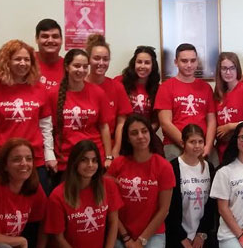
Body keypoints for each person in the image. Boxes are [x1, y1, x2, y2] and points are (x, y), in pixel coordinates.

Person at [44, 140, 125, 248]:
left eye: (94, 160)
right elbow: (58, 238)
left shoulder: (107, 186)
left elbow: (113, 224)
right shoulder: (58, 195)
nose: (90, 165)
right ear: (75, 162)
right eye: (84, 160)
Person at [0, 40, 56, 191]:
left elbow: (46, 127)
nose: (23, 63)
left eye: (27, 59)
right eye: (18, 59)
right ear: (7, 61)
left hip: (34, 159)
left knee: (37, 202)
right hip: (2, 160)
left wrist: (49, 155)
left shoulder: (40, 89)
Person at [108, 114, 174, 248]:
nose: (140, 136)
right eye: (134, 133)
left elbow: (164, 210)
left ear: (150, 133)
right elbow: (111, 208)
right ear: (127, 138)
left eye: (144, 131)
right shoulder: (118, 164)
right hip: (123, 234)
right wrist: (127, 239)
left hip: (152, 234)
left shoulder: (163, 166)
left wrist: (141, 241)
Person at [49, 49, 113, 183]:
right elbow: (49, 130)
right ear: (67, 67)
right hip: (65, 159)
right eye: (77, 66)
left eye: (85, 66)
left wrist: (108, 157)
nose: (81, 70)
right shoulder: (53, 94)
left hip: (93, 159)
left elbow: (104, 126)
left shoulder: (97, 92)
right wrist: (49, 155)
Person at [166, 124, 216, 248]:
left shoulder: (208, 167)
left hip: (200, 231)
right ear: (183, 143)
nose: (197, 146)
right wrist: (182, 237)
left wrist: (201, 234)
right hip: (178, 232)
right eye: (192, 142)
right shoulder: (173, 167)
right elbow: (169, 209)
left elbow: (211, 206)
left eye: (200, 142)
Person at [154, 43, 216, 161]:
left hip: (202, 144)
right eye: (184, 61)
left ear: (197, 62)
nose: (189, 65)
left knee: (215, 167)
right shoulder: (166, 87)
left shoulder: (206, 88)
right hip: (175, 144)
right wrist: (187, 145)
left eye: (193, 61)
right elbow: (165, 123)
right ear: (176, 62)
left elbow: (212, 121)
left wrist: (208, 145)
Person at [85, 35, 132, 164]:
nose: (101, 63)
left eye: (105, 59)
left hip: (109, 146)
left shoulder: (117, 87)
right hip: (85, 146)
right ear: (88, 60)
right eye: (96, 58)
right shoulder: (79, 85)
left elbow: (121, 123)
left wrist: (115, 150)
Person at [115, 45, 161, 132]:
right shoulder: (119, 82)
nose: (142, 66)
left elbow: (156, 121)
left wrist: (144, 133)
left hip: (145, 134)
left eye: (147, 63)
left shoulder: (158, 89)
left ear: (153, 66)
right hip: (122, 132)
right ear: (134, 63)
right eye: (139, 62)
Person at [34, 19, 64, 92]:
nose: (50, 40)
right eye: (45, 36)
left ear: (61, 40)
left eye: (55, 36)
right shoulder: (26, 62)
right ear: (36, 39)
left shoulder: (68, 67)